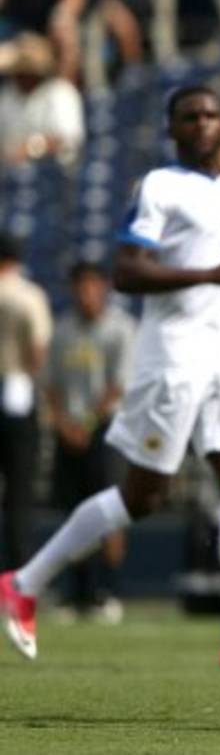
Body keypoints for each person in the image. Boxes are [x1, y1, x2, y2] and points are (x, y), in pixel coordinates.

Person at [0, 86, 220, 671]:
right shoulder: (159, 187)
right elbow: (127, 272)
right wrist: (217, 272)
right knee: (141, 497)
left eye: (211, 114)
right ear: (173, 129)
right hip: (170, 353)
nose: (201, 123)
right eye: (189, 116)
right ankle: (24, 581)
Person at [46, 262, 136, 620]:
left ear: (103, 288)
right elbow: (50, 384)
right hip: (69, 432)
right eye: (79, 286)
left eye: (92, 286)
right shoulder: (63, 329)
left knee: (109, 511)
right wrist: (63, 424)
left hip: (107, 430)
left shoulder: (121, 328)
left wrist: (83, 423)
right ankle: (76, 592)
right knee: (74, 513)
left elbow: (118, 385)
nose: (86, 294)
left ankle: (106, 590)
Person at [0, 233, 53, 570]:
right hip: (16, 390)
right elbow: (37, 351)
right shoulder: (28, 295)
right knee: (18, 492)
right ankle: (17, 574)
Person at [0, 32, 86, 171]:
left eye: (25, 70)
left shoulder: (61, 92)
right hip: (11, 178)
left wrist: (32, 148)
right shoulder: (7, 95)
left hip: (54, 176)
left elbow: (69, 140)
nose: (19, 76)